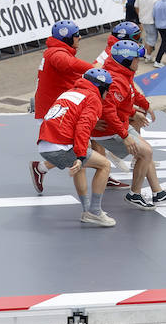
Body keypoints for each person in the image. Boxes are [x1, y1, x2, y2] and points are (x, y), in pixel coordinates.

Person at [92, 39, 166, 208]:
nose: (139, 61)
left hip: (118, 124)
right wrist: (126, 135)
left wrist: (145, 106)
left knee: (146, 152)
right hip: (109, 129)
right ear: (126, 61)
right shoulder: (117, 81)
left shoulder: (124, 74)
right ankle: (135, 194)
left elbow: (131, 95)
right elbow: (109, 112)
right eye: (136, 58)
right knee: (146, 152)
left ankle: (158, 193)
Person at [36, 67, 117, 227]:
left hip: (45, 145)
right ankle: (94, 212)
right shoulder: (93, 98)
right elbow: (83, 128)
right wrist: (80, 156)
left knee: (81, 166)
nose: (107, 95)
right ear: (101, 87)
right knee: (105, 165)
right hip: (60, 146)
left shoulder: (70, 92)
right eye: (106, 90)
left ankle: (88, 210)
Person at [30, 20, 93, 194]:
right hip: (56, 110)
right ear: (67, 38)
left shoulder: (56, 51)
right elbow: (70, 65)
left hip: (57, 107)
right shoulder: (57, 54)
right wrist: (95, 70)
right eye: (76, 35)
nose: (79, 38)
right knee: (80, 149)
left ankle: (42, 168)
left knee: (84, 143)